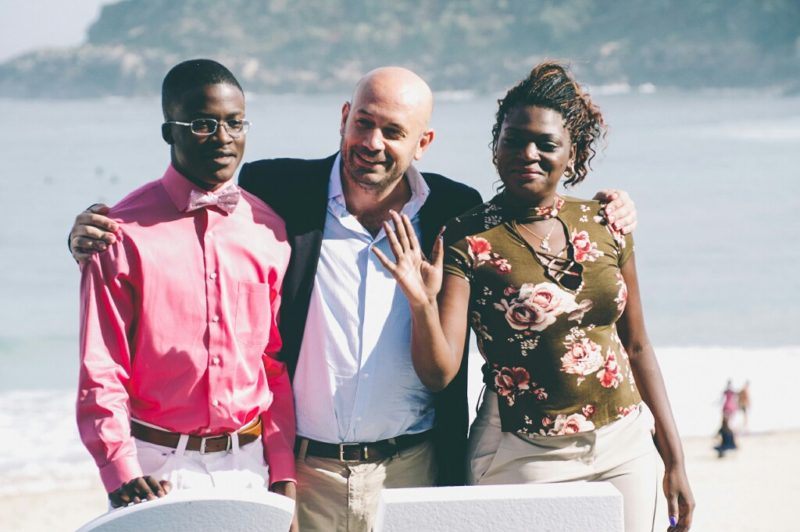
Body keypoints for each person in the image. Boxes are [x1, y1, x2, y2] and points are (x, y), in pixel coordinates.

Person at [68, 66, 639, 531]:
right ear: (344, 117)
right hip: (305, 473)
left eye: (393, 131)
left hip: (413, 471)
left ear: (423, 143)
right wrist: (91, 230)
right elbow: (191, 204)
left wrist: (609, 208)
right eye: (363, 122)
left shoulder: (454, 213)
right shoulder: (277, 190)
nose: (372, 143)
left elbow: (528, 215)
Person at [375, 62, 694, 532]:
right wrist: (421, 304)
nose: (528, 154)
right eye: (514, 140)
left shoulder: (606, 223)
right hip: (521, 451)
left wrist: (675, 459)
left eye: (546, 144)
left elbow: (638, 345)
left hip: (624, 445)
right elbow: (440, 373)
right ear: (496, 147)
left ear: (572, 153)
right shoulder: (467, 238)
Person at [76, 59, 296, 511]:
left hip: (249, 466)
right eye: (202, 124)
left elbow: (272, 365)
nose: (223, 137)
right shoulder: (119, 234)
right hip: (156, 469)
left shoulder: (269, 230)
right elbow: (101, 367)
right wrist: (120, 468)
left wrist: (282, 469)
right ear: (169, 132)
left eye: (234, 122)